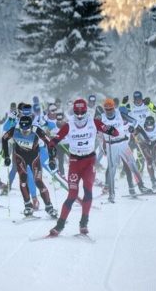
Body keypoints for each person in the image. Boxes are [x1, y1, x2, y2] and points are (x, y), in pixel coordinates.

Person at [47, 99, 118, 236]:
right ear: (73, 112)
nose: (79, 116)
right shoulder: (69, 125)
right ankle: (60, 225)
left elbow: (113, 132)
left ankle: (84, 223)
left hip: (89, 162)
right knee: (72, 195)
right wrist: (51, 157)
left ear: (86, 111)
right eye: (77, 113)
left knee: (88, 191)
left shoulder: (94, 122)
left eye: (82, 113)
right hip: (75, 162)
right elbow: (52, 142)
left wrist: (110, 129)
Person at [1, 113, 58, 218]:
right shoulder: (15, 130)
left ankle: (49, 206)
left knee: (38, 181)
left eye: (27, 131)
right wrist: (7, 156)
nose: (24, 132)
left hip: (34, 158)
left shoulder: (36, 130)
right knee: (23, 181)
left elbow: (50, 143)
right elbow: (4, 139)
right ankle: (28, 206)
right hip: (20, 157)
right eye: (22, 130)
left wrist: (52, 159)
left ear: (31, 127)